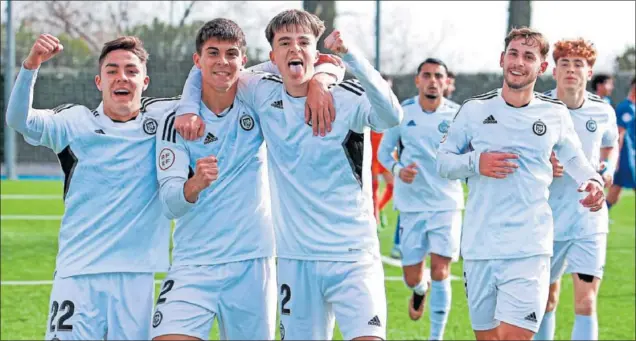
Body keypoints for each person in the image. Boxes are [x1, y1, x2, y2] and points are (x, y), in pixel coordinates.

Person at [177, 9, 403, 340]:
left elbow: (391, 115)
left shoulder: (347, 99)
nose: (294, 49)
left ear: (317, 52)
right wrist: (186, 106)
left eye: (303, 42)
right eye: (284, 43)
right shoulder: (261, 91)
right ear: (272, 56)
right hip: (296, 261)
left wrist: (345, 60)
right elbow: (215, 70)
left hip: (353, 257)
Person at [151, 18, 344, 341]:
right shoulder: (177, 120)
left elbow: (327, 62)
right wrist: (194, 184)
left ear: (244, 61)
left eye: (231, 54)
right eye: (212, 53)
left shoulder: (256, 98)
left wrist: (320, 82)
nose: (222, 62)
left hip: (253, 263)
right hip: (193, 262)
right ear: (197, 61)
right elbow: (170, 205)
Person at [6, 34, 180, 340]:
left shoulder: (163, 120)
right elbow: (19, 119)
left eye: (130, 70)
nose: (121, 77)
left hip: (135, 277)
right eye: (111, 71)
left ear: (145, 81)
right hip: (77, 274)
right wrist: (31, 65)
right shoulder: (75, 122)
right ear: (99, 81)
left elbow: (213, 90)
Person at [436, 27, 606, 341]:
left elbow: (576, 159)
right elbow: (443, 162)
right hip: (480, 246)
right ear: (502, 59)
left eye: (529, 56)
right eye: (513, 54)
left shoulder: (554, 114)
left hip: (530, 247)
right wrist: (476, 162)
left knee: (516, 336)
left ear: (542, 68)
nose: (518, 62)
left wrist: (593, 181)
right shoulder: (475, 110)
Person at [533, 38, 619, 341]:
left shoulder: (602, 111)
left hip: (589, 219)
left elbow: (611, 145)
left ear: (589, 71)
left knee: (586, 301)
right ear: (554, 71)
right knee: (546, 299)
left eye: (578, 64)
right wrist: (546, 165)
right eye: (565, 64)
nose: (571, 70)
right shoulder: (537, 109)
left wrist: (606, 169)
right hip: (547, 220)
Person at [378, 57, 463, 340]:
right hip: (412, 206)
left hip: (446, 204)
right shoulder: (403, 113)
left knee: (441, 270)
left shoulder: (458, 115)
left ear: (446, 82)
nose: (432, 80)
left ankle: (435, 336)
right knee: (412, 277)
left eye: (438, 75)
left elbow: (472, 152)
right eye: (426, 75)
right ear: (417, 81)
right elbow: (383, 153)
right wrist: (398, 170)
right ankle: (419, 290)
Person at [371, 74, 396, 230]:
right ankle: (374, 221)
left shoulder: (393, 106)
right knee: (373, 187)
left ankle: (377, 210)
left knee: (393, 186)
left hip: (386, 153)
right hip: (372, 152)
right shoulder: (369, 102)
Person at [606, 77, 636, 210]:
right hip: (624, 155)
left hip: (629, 154)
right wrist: (616, 158)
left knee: (615, 190)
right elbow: (619, 133)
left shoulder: (632, 107)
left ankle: (598, 216)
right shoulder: (626, 107)